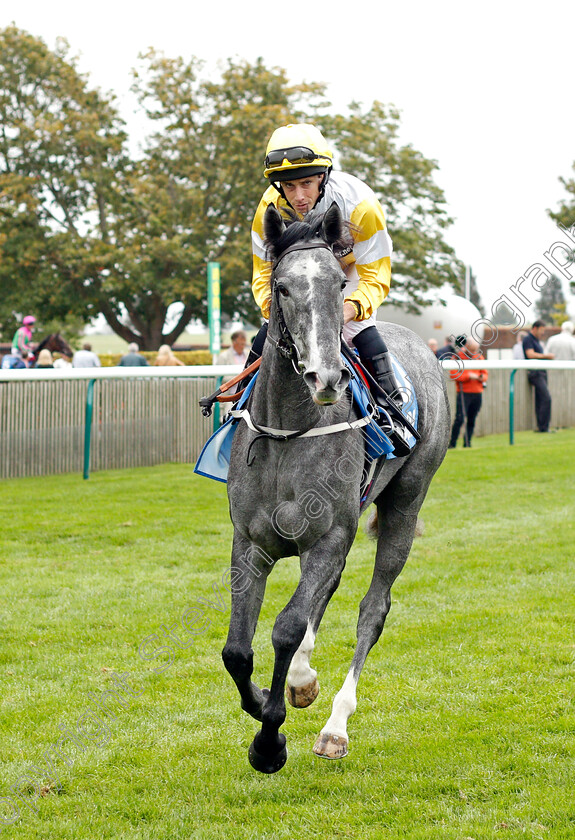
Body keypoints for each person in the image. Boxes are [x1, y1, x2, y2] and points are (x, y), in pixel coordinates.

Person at [249, 123, 410, 455]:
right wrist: (282, 317)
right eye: (289, 186)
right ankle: (239, 409)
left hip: (348, 276)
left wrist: (344, 310)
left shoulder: (361, 205)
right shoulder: (269, 209)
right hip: (299, 281)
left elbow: (375, 275)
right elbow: (263, 276)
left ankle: (390, 410)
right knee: (267, 334)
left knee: (360, 330)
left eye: (307, 183)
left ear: (323, 176)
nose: (299, 197)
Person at [448, 338, 488, 448]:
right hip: (463, 392)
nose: (473, 353)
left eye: (475, 350)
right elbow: (453, 374)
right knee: (459, 419)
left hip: (477, 392)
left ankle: (467, 443)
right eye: (472, 350)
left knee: (472, 419)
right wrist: (468, 376)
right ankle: (452, 443)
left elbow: (485, 374)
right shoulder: (457, 357)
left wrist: (480, 377)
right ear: (466, 347)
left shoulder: (479, 357)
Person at [522, 320, 554, 433]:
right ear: (535, 328)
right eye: (542, 330)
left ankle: (541, 427)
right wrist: (547, 356)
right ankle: (544, 427)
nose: (543, 333)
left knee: (541, 400)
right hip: (535, 373)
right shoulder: (528, 339)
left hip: (541, 372)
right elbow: (530, 355)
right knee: (546, 398)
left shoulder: (536, 340)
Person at [216, 330, 250, 420]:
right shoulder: (224, 357)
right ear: (234, 342)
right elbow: (219, 378)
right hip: (230, 398)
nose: (242, 346)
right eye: (240, 344)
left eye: (244, 344)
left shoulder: (248, 355)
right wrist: (238, 377)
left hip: (248, 397)